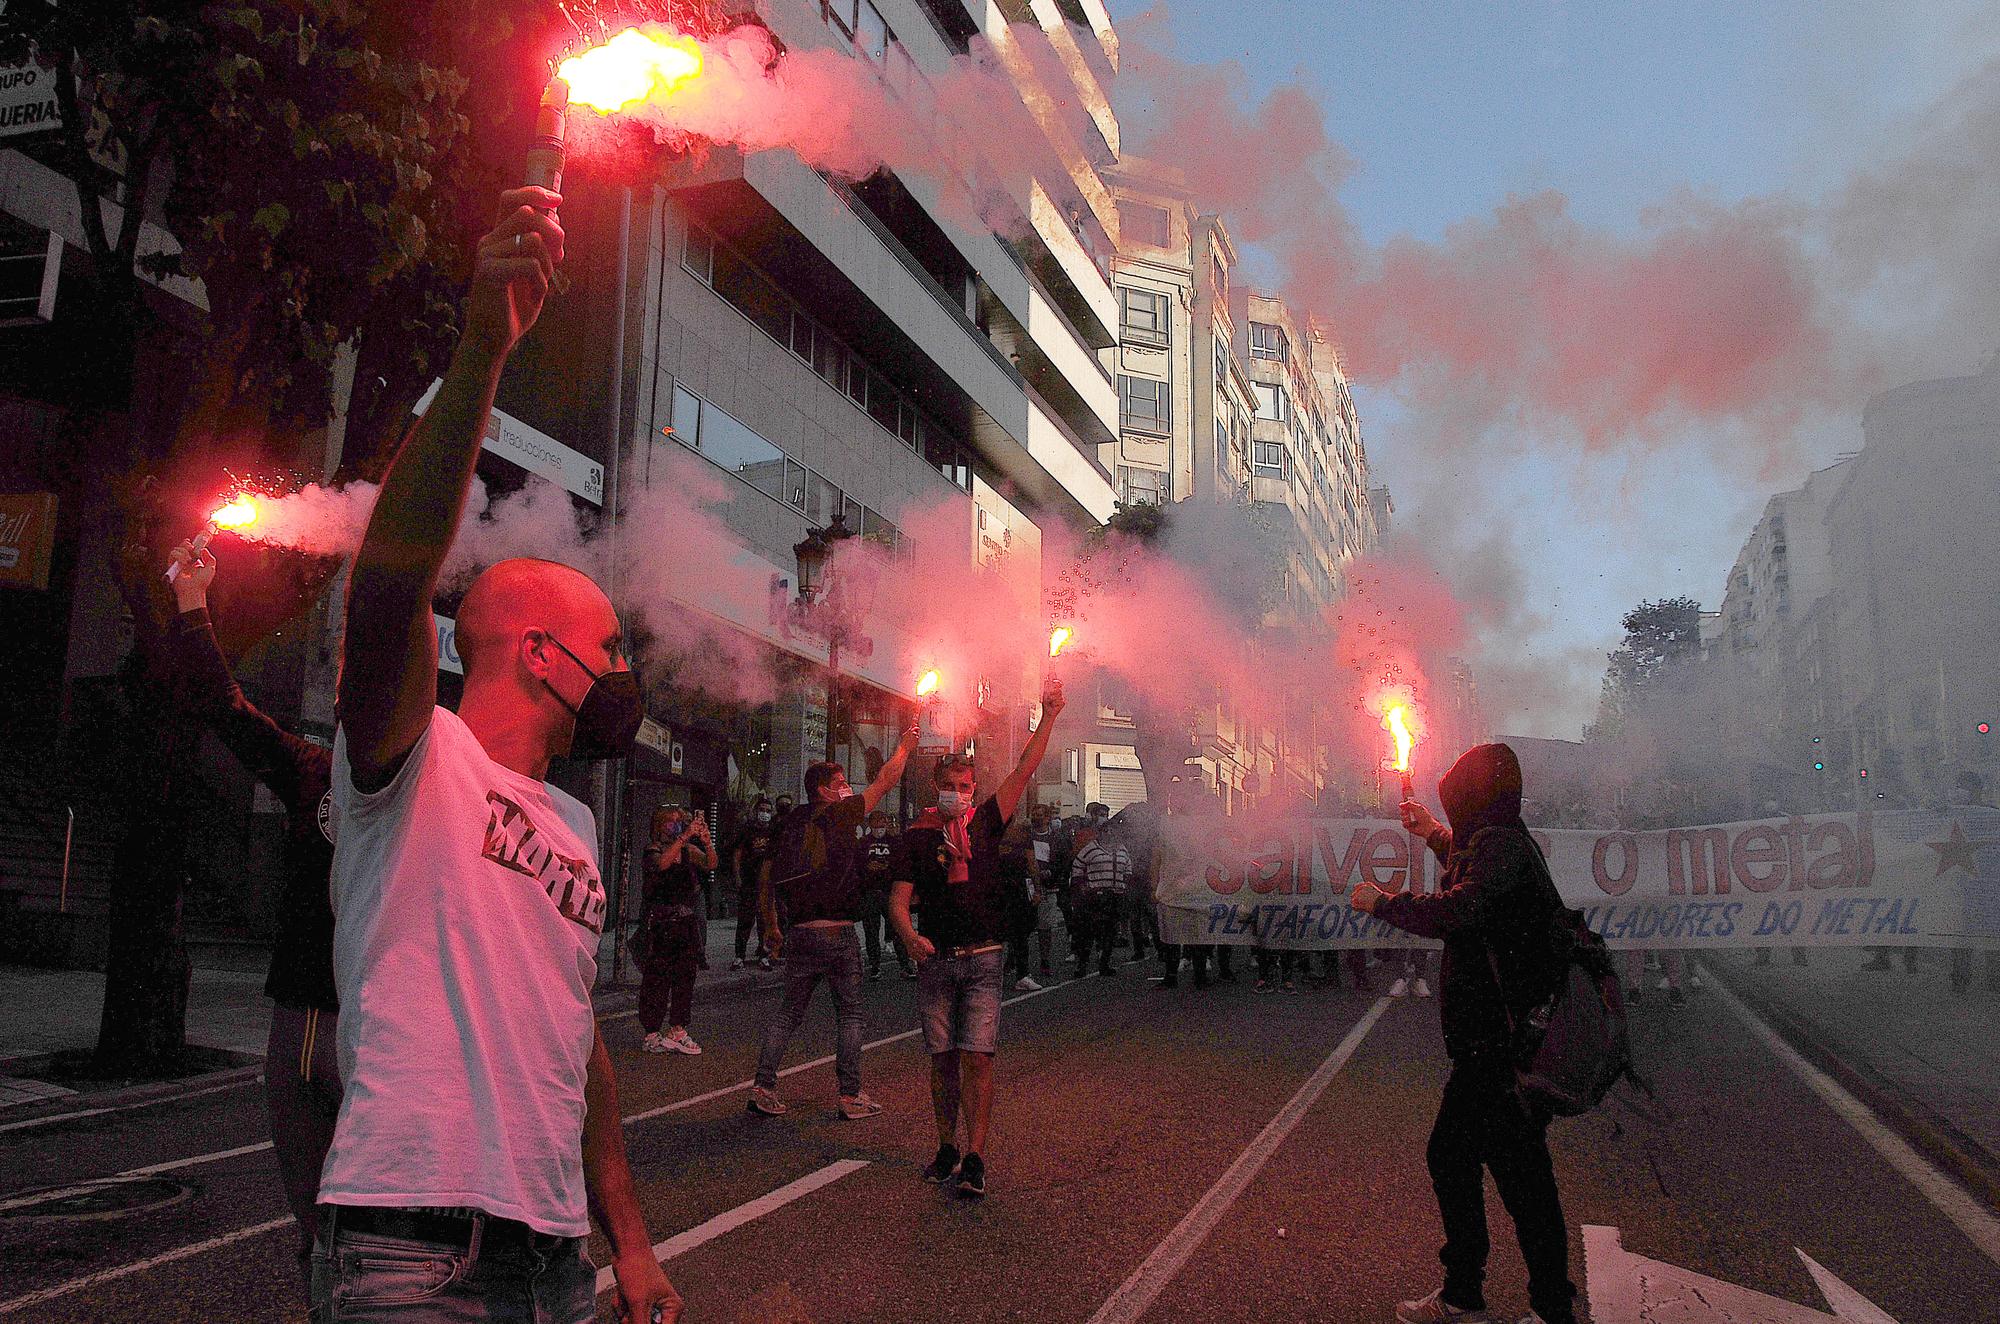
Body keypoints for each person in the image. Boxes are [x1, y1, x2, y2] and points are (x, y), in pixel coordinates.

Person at [319, 186, 676, 1324]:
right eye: (606, 647)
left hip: (553, 1261)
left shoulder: (571, 827)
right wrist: (482, 346)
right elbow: (385, 589)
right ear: (534, 651)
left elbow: (581, 1054)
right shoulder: (411, 764)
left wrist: (630, 1240)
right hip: (410, 1258)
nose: (623, 670)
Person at [1351, 743, 1578, 1324]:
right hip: (1500, 1043)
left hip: (1496, 1048)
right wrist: (1431, 832)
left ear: (1477, 793)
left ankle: (1466, 1297)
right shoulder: (1499, 840)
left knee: (1462, 1160)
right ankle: (1545, 1306)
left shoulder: (1499, 846)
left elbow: (1462, 909)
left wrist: (1383, 904)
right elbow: (1472, 873)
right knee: (1519, 1174)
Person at [166, 541, 339, 1286]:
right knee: (318, 1227)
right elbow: (223, 708)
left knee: (380, 1228)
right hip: (307, 1016)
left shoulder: (435, 786)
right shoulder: (313, 771)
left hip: (387, 1027)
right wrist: (191, 602)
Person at [888, 680, 1067, 1199]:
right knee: (941, 1058)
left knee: (978, 1057)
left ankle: (975, 1155)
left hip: (984, 958)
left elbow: (1024, 769)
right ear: (938, 788)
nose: (962, 795)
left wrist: (1049, 714)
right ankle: (947, 1145)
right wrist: (907, 936)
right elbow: (898, 901)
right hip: (937, 959)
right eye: (954, 787)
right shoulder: (918, 838)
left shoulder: (986, 823)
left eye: (968, 787)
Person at [747, 729, 917, 1121]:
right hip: (838, 934)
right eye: (839, 783)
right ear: (823, 790)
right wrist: (905, 746)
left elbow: (767, 880)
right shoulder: (842, 813)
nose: (846, 788)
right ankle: (850, 1094)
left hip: (801, 933)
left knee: (788, 1013)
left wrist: (771, 925)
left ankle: (763, 1085)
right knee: (851, 1014)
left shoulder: (787, 823)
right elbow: (886, 780)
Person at [639, 805, 717, 1055]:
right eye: (669, 822)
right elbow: (661, 864)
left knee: (685, 977)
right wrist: (683, 838)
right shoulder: (654, 849)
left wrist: (706, 842)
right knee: (657, 978)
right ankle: (651, 1032)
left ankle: (678, 1029)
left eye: (679, 821)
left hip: (685, 922)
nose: (674, 826)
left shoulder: (688, 851)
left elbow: (711, 864)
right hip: (661, 922)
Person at [1947, 772, 1999, 995]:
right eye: (1959, 786)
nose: (1961, 791)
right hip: (1965, 884)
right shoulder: (1953, 814)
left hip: (1989, 883)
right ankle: (1960, 978)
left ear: (1976, 790)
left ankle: (1995, 980)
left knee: (1991, 933)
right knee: (1964, 933)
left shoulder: (1991, 815)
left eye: (1964, 787)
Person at [1069, 829, 1133, 978]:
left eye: (1113, 832)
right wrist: (1082, 886)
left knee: (1110, 931)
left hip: (1116, 895)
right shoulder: (1091, 848)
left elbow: (1128, 868)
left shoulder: (1122, 849)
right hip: (1095, 895)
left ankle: (1104, 964)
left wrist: (1125, 884)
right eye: (1107, 832)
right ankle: (1082, 965)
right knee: (1089, 931)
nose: (1111, 834)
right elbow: (1077, 866)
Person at [858, 808, 913, 980]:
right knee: (871, 932)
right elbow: (857, 866)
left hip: (891, 892)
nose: (879, 826)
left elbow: (903, 865)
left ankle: (905, 965)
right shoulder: (863, 843)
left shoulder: (895, 842)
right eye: (876, 823)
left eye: (882, 823)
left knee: (898, 930)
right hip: (870, 892)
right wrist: (867, 869)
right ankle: (875, 967)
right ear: (870, 824)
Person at [730, 796, 779, 970]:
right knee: (745, 919)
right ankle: (739, 956)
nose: (764, 814)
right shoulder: (747, 830)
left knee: (765, 920)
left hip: (766, 884)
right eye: (762, 810)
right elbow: (737, 854)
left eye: (767, 810)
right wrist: (738, 877)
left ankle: (764, 954)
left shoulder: (773, 832)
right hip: (749, 881)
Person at [1026, 802, 1070, 979]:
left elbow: (1063, 861)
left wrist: (1053, 873)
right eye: (1034, 814)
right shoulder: (1025, 837)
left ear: (1047, 818)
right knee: (1023, 925)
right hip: (1026, 885)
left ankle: (1045, 960)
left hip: (1048, 887)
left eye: (1040, 814)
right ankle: (1016, 960)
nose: (1036, 817)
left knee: (1045, 926)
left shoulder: (1056, 839)